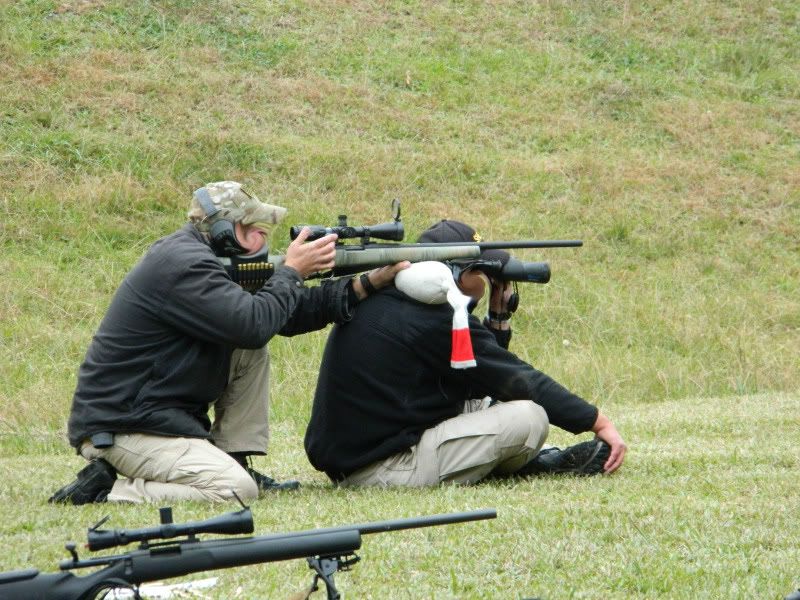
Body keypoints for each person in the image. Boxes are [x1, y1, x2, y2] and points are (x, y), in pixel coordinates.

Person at [49, 181, 404, 504]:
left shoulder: (207, 262)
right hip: (123, 427)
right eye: (254, 230)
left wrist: (367, 284)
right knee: (234, 491)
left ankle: (234, 459)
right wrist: (293, 272)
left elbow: (284, 313)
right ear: (222, 231)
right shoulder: (184, 265)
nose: (263, 241)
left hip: (152, 418)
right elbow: (253, 324)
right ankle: (108, 491)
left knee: (249, 351)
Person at [304, 219, 627, 487]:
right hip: (382, 470)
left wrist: (497, 322)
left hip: (365, 454)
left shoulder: (393, 299)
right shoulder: (432, 318)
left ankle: (497, 465)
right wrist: (597, 423)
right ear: (454, 272)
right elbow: (517, 380)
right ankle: (513, 466)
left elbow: (478, 380)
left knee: (491, 405)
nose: (488, 281)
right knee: (528, 417)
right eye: (481, 270)